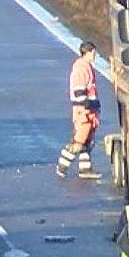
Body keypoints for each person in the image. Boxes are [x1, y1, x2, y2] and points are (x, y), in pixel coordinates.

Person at [57, 42, 102, 179]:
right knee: (78, 142)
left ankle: (85, 169)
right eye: (93, 53)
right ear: (87, 52)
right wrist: (89, 104)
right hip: (83, 111)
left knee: (87, 143)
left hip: (88, 110)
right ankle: (62, 166)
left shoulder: (86, 67)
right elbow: (79, 92)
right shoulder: (81, 69)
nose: (95, 55)